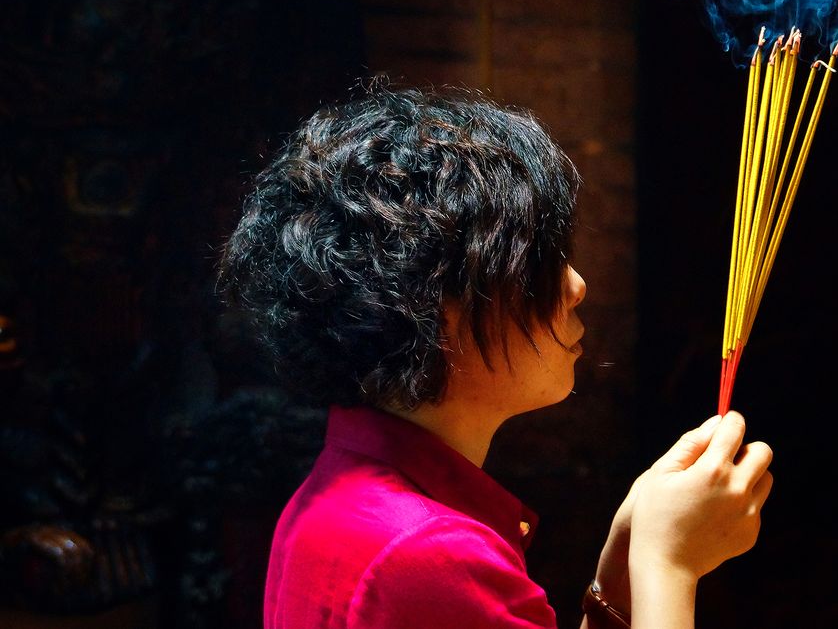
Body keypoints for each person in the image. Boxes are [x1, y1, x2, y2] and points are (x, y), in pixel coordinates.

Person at [217, 85, 774, 628]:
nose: (576, 285)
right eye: (532, 265)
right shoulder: (428, 557)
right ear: (432, 308)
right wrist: (668, 564)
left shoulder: (339, 496)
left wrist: (624, 561)